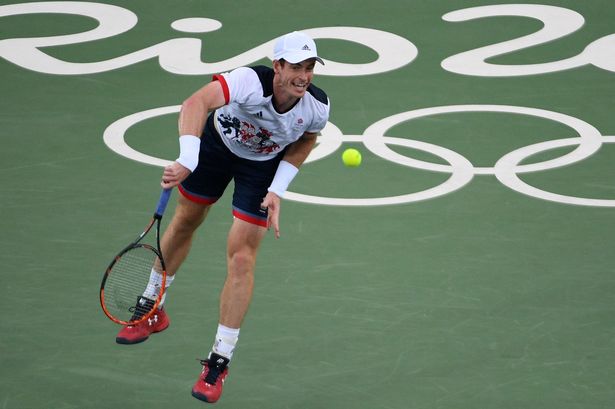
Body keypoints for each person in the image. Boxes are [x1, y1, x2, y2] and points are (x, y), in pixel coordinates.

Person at [114, 31, 330, 404]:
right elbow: (196, 102)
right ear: (277, 66)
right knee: (185, 221)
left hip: (262, 168)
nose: (303, 76)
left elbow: (307, 139)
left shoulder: (316, 106)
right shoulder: (249, 81)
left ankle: (219, 360)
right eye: (296, 66)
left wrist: (278, 188)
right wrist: (188, 158)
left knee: (243, 255)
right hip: (216, 149)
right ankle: (152, 307)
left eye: (309, 67)